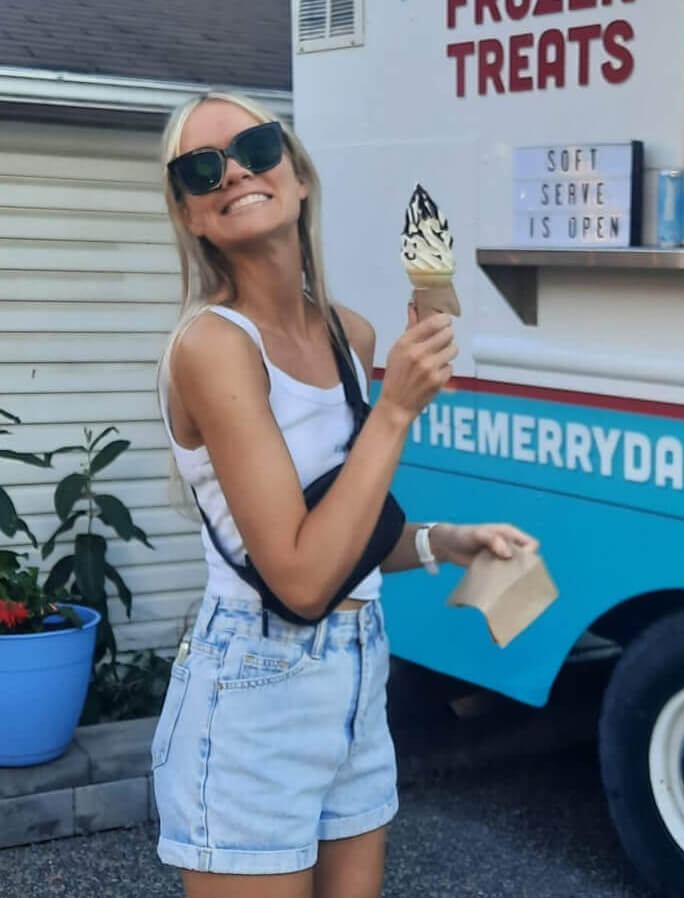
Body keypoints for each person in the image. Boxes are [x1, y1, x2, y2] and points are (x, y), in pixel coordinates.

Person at [152, 91, 538, 898]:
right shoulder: (213, 347)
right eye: (202, 169)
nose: (234, 173)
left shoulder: (348, 335)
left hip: (358, 672)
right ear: (189, 213)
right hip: (253, 684)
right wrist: (395, 410)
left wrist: (442, 541)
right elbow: (299, 577)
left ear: (297, 177)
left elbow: (341, 532)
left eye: (256, 149)